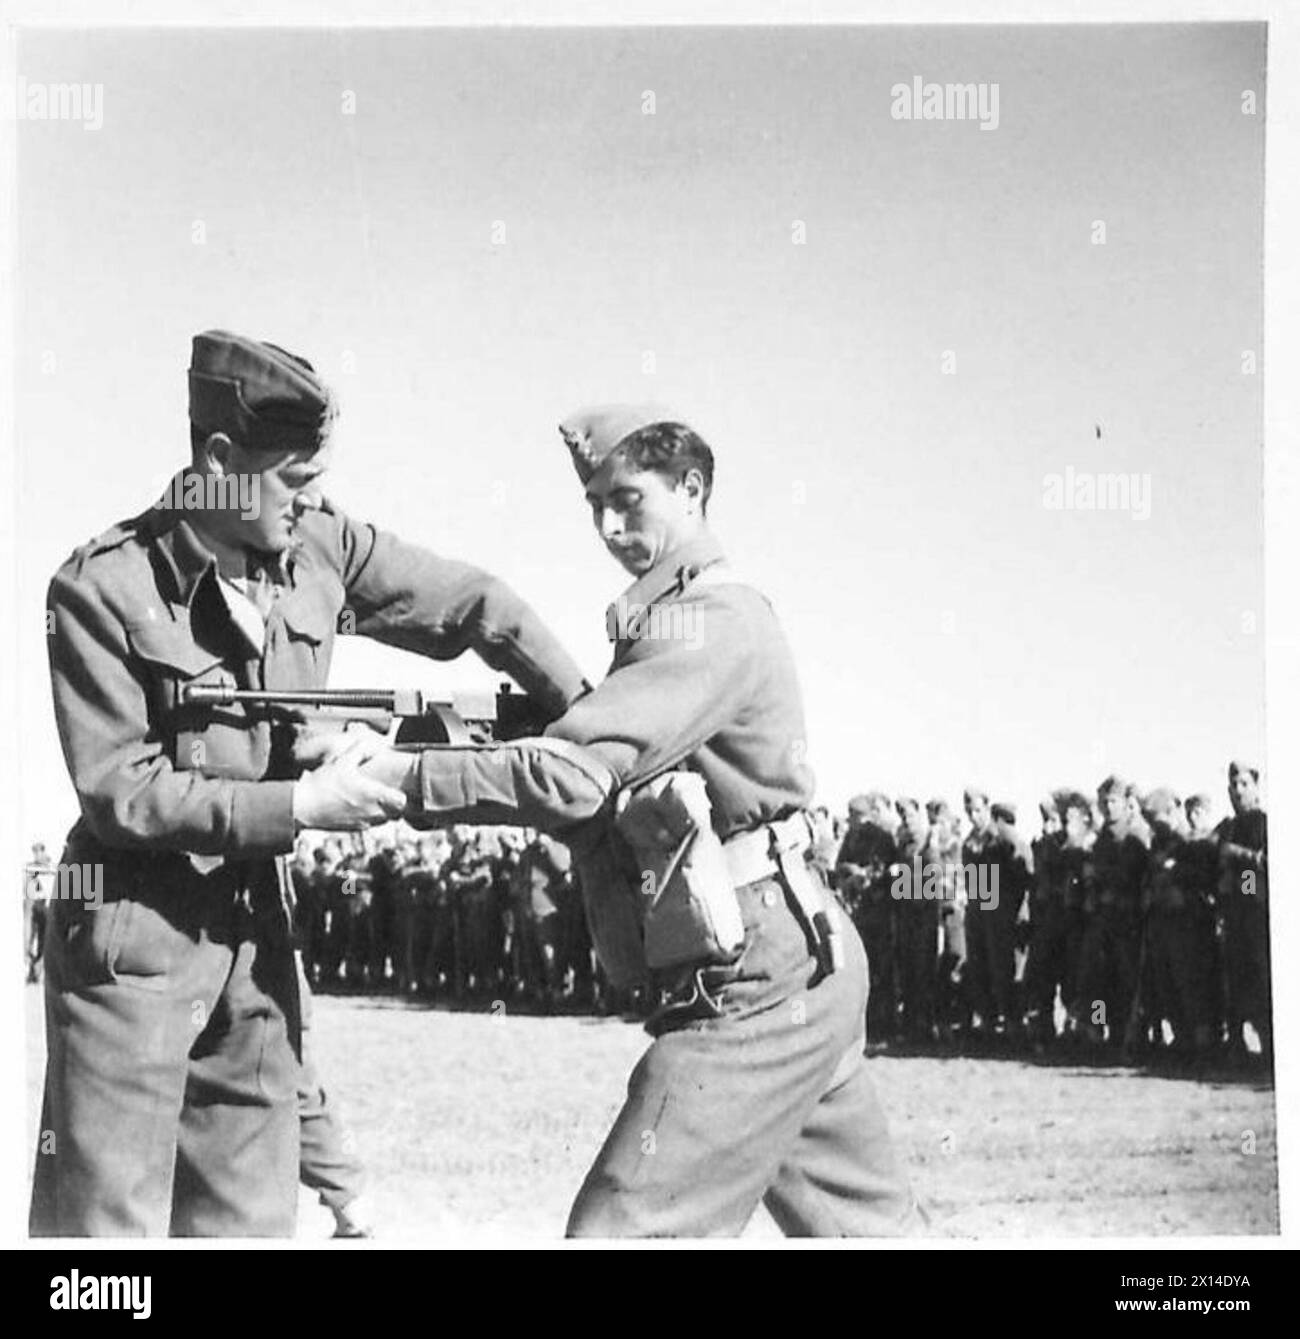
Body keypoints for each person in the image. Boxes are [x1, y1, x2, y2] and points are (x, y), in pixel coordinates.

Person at [31, 329, 587, 1237]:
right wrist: (300, 802)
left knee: (248, 1223)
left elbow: (475, 604)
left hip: (256, 941)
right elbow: (124, 791)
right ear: (220, 462)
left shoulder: (320, 547)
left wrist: (591, 719)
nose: (315, 495)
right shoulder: (99, 589)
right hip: (134, 944)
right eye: (294, 476)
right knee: (105, 1238)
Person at [360, 405, 920, 1237]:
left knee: (618, 1230)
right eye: (594, 506)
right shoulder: (663, 626)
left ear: (691, 489)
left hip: (758, 977)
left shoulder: (712, 619)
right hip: (786, 960)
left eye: (628, 500)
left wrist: (394, 777)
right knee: (871, 1233)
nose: (610, 526)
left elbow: (571, 773)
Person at [836, 793, 900, 1047]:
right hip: (858, 912)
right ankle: (867, 1024)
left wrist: (862, 874)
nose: (854, 823)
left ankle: (887, 1025)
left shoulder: (883, 838)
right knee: (862, 969)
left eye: (858, 818)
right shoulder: (850, 838)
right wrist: (848, 874)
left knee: (883, 970)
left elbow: (890, 873)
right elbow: (839, 865)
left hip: (879, 911)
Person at [1216, 761, 1271, 1061]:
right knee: (1233, 978)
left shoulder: (1260, 822)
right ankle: (1235, 1044)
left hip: (1254, 910)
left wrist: (1239, 858)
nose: (1238, 791)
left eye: (1244, 784)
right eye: (1234, 786)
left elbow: (1258, 866)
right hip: (1233, 915)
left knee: (1259, 977)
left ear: (1255, 787)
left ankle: (1269, 1045)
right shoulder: (1229, 826)